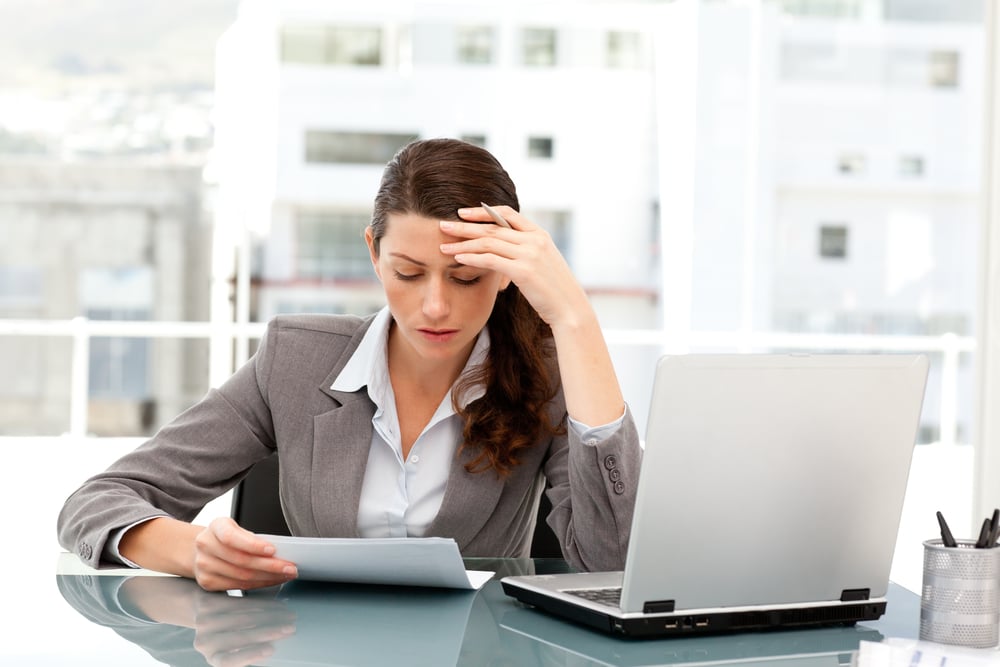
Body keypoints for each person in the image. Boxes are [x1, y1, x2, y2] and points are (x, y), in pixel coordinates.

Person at [57, 137, 642, 592]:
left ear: (507, 271)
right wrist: (191, 550)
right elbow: (96, 503)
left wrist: (575, 321)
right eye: (408, 273)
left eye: (467, 277)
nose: (435, 305)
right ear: (373, 252)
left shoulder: (552, 377)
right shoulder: (296, 359)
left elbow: (611, 564)